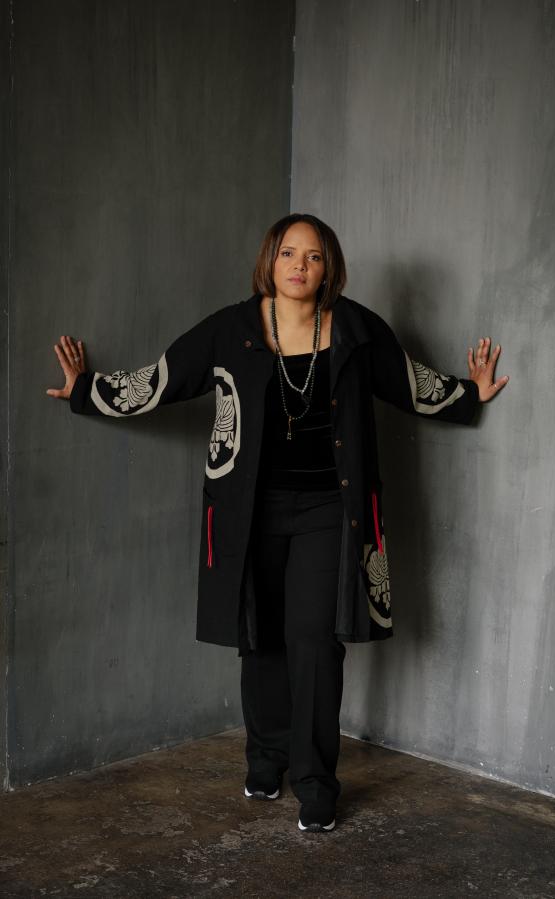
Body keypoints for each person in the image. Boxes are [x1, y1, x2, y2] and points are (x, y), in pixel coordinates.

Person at [48, 213, 509, 833]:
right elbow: (160, 380)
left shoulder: (354, 328)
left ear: (329, 268)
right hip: (250, 512)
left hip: (327, 510)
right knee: (259, 635)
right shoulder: (231, 329)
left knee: (315, 643)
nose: (300, 266)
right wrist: (86, 391)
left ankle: (316, 780)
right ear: (270, 260)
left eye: (313, 257)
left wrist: (468, 394)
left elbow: (408, 382)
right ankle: (265, 757)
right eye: (289, 253)